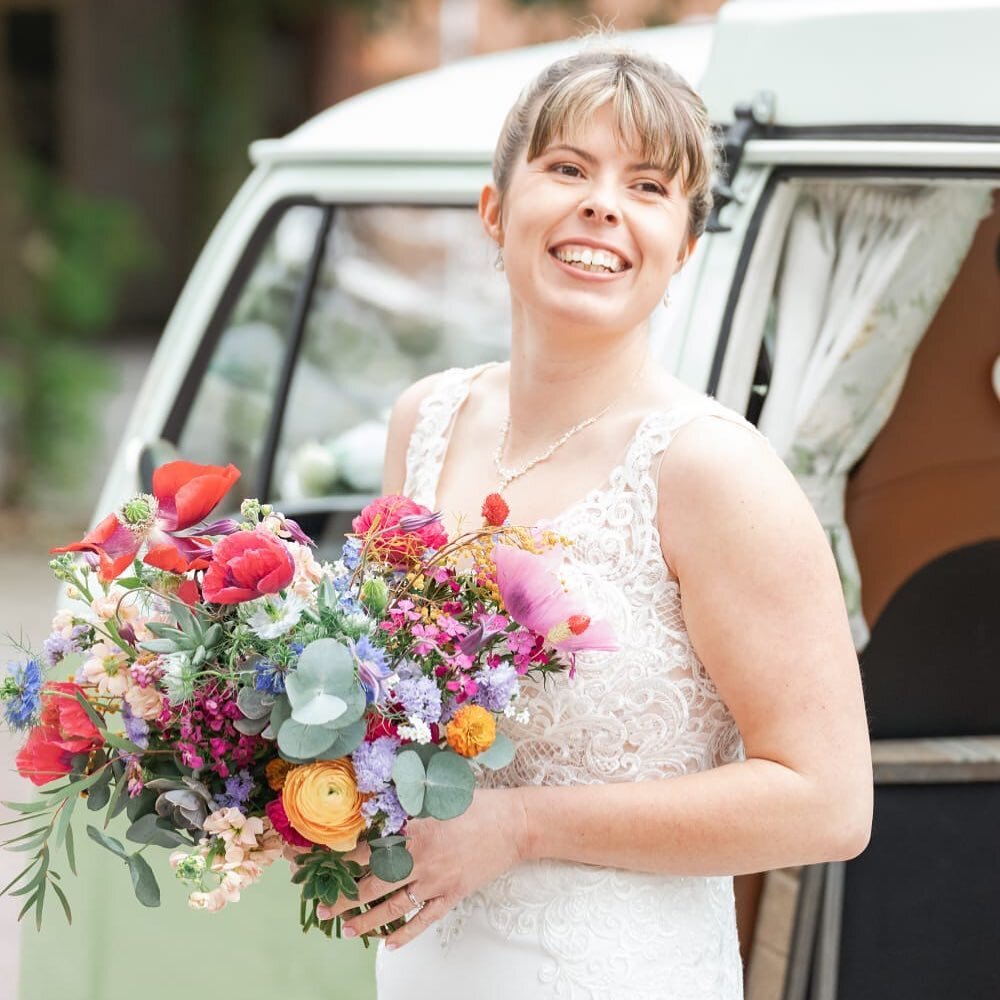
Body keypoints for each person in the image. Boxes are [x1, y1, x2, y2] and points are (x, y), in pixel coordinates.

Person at [327, 46, 873, 999]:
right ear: (495, 210)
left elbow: (827, 804)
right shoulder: (428, 422)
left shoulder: (711, 470)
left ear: (683, 247)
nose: (603, 205)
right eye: (568, 168)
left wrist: (521, 824)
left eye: (649, 186)